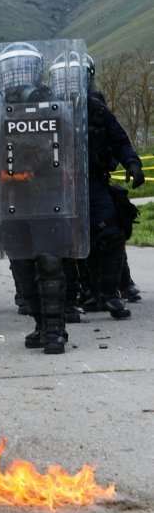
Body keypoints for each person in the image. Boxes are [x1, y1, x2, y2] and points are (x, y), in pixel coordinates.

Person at [0, 41, 89, 354]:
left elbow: (71, 151)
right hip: (12, 203)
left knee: (50, 265)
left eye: (24, 70)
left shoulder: (56, 109)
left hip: (50, 200)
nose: (18, 79)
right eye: (12, 72)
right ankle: (41, 324)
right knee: (23, 268)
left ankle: (55, 330)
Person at [79, 54, 144, 319]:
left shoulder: (96, 108)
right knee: (64, 241)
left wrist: (132, 163)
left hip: (94, 180)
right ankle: (82, 294)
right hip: (58, 185)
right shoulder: (49, 107)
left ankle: (109, 292)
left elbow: (119, 139)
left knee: (112, 233)